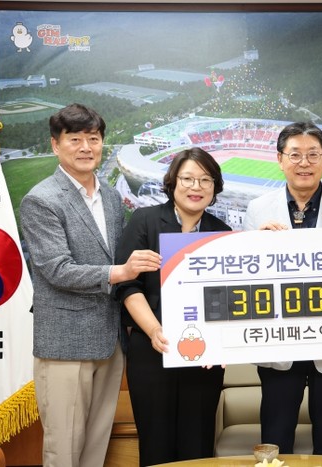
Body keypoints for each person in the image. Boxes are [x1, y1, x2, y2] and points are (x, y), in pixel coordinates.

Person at [20, 103, 161, 467]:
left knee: (95, 447)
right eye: (75, 139)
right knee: (64, 451)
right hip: (66, 344)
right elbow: (57, 270)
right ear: (56, 145)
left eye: (94, 139)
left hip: (110, 342)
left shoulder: (110, 196)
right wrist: (121, 272)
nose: (86, 147)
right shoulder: (41, 200)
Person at [243, 121, 322, 455]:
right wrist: (255, 245)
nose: (304, 163)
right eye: (295, 154)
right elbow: (247, 279)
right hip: (278, 342)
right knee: (275, 438)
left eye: (313, 154)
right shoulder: (258, 209)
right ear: (280, 159)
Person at [113, 147, 230, 466]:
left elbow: (227, 297)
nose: (196, 187)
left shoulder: (221, 232)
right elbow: (127, 285)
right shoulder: (145, 221)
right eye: (188, 178)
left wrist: (222, 343)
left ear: (215, 187)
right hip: (152, 351)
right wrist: (154, 330)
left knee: (198, 445)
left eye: (205, 180)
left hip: (203, 358)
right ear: (173, 182)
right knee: (156, 446)